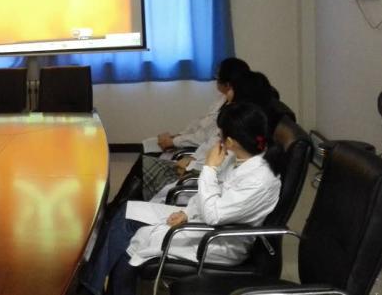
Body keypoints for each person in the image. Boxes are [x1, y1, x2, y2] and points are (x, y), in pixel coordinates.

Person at [78, 102, 283, 295]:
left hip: (218, 241)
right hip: (202, 220)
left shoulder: (260, 179)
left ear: (230, 141)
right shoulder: (240, 158)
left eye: (220, 134)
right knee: (127, 212)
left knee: (133, 245)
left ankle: (92, 288)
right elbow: (210, 195)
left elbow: (214, 214)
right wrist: (187, 213)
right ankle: (91, 286)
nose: (217, 138)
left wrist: (209, 168)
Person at [108, 69, 276, 210]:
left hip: (198, 179)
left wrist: (192, 164)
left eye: (232, 88)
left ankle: (120, 207)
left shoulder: (238, 130)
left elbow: (218, 166)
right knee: (138, 187)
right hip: (198, 171)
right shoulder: (241, 121)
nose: (228, 92)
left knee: (142, 175)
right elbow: (206, 140)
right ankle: (121, 206)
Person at [144, 57, 250, 155]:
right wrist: (179, 135)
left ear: (228, 83)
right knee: (148, 144)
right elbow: (201, 123)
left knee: (151, 153)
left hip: (201, 150)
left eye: (217, 76)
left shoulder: (235, 111)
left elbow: (207, 139)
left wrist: (173, 141)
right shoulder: (222, 99)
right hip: (193, 143)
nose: (216, 79)